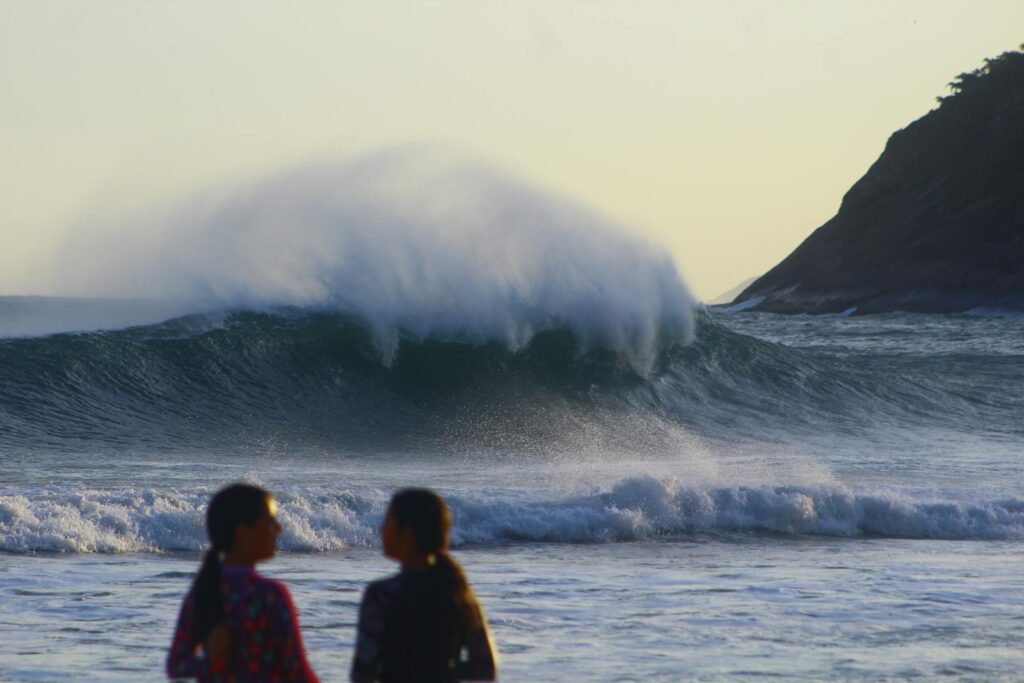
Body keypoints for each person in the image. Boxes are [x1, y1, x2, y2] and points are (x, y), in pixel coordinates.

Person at [166, 483, 319, 682]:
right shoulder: (270, 595)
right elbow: (297, 672)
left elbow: (176, 666)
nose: (279, 527)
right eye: (270, 521)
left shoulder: (203, 592)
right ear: (243, 532)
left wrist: (214, 662)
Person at [351, 488, 497, 683]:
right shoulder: (457, 591)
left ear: (408, 533)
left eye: (388, 522)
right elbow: (485, 668)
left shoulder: (382, 595)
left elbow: (363, 673)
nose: (382, 529)